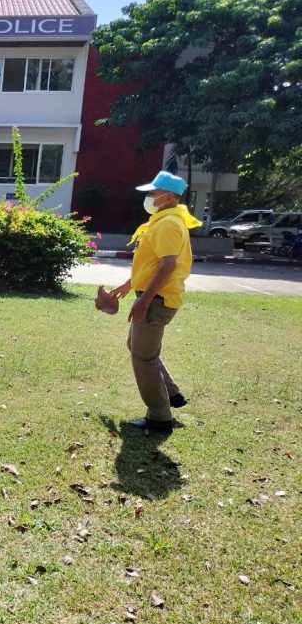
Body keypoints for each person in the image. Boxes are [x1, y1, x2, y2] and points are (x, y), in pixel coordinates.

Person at [105, 171, 200, 432]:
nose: (149, 197)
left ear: (168, 197)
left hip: (156, 299)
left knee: (143, 357)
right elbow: (152, 263)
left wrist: (144, 300)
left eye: (153, 192)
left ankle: (159, 418)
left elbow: (167, 265)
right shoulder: (165, 220)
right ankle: (171, 393)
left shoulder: (168, 224)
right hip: (156, 296)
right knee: (137, 346)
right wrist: (129, 285)